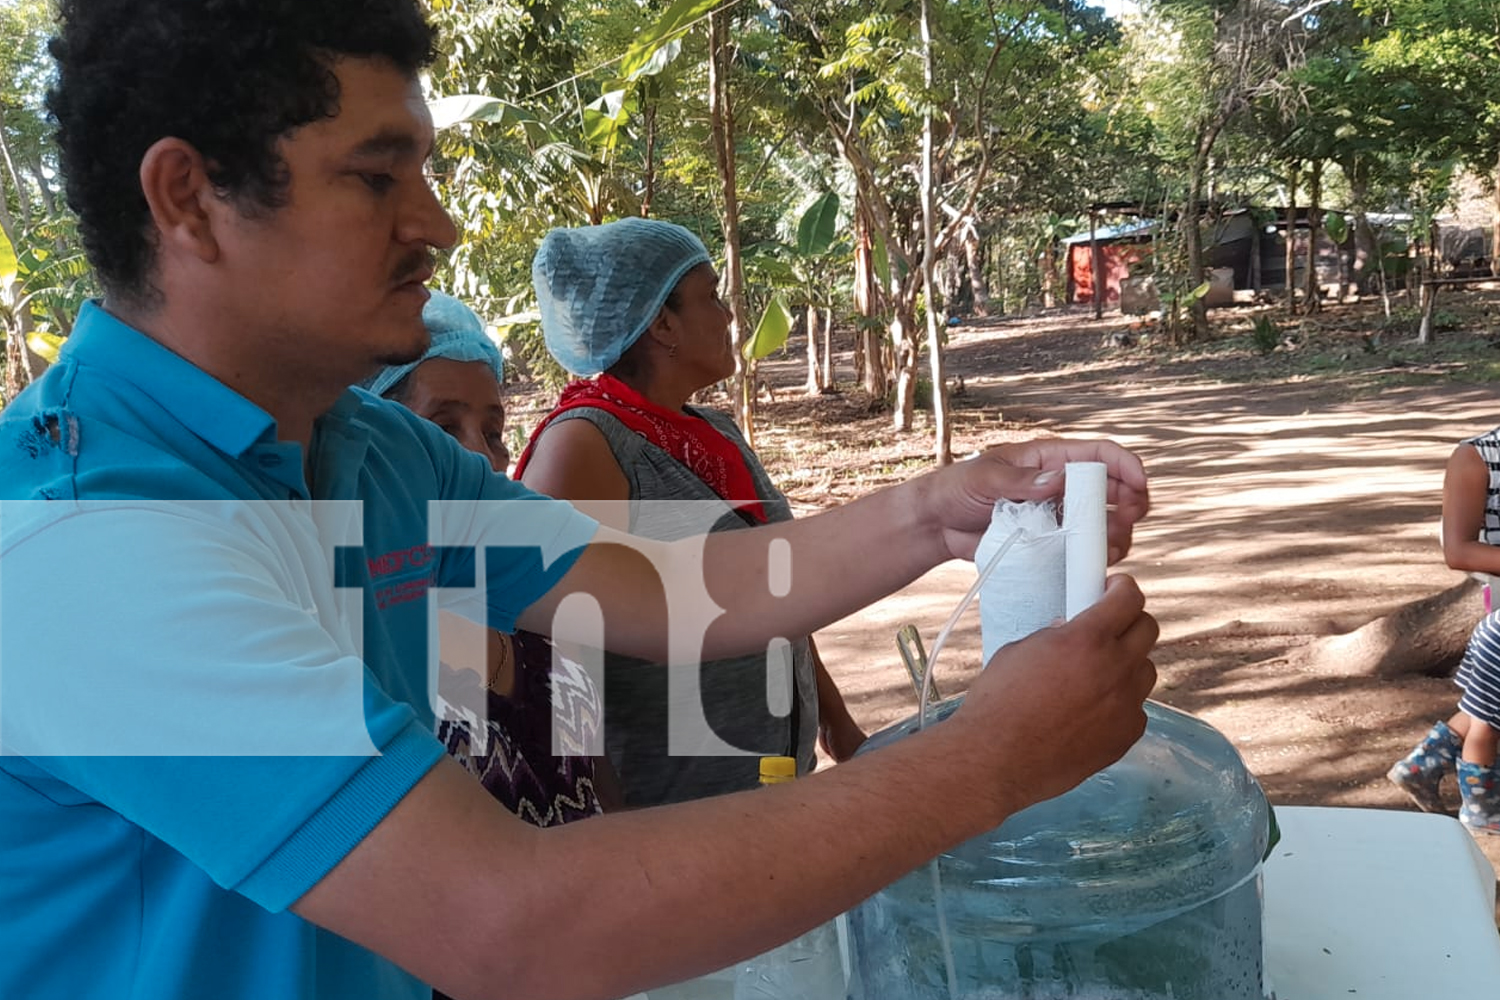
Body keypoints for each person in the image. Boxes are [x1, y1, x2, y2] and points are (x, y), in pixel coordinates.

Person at [0, 4, 1158, 1000]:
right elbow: (506, 920)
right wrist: (992, 758)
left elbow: (659, 583)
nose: (438, 225)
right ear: (189, 198)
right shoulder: (88, 535)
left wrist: (937, 512)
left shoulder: (371, 449)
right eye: (375, 176)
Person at [515, 218, 865, 806]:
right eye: (711, 296)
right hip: (672, 809)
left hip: (772, 784)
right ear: (661, 322)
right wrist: (610, 820)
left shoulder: (711, 431)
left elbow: (779, 599)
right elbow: (554, 660)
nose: (728, 315)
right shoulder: (584, 447)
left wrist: (835, 724)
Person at [365, 290, 622, 826]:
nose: (479, 456)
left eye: (494, 432)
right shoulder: (371, 645)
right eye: (441, 429)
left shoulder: (534, 606)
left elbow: (599, 797)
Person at [1389, 426, 1500, 833]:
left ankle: (1422, 765)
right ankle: (1482, 809)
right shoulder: (1476, 458)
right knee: (1490, 716)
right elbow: (1458, 550)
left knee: (1488, 704)